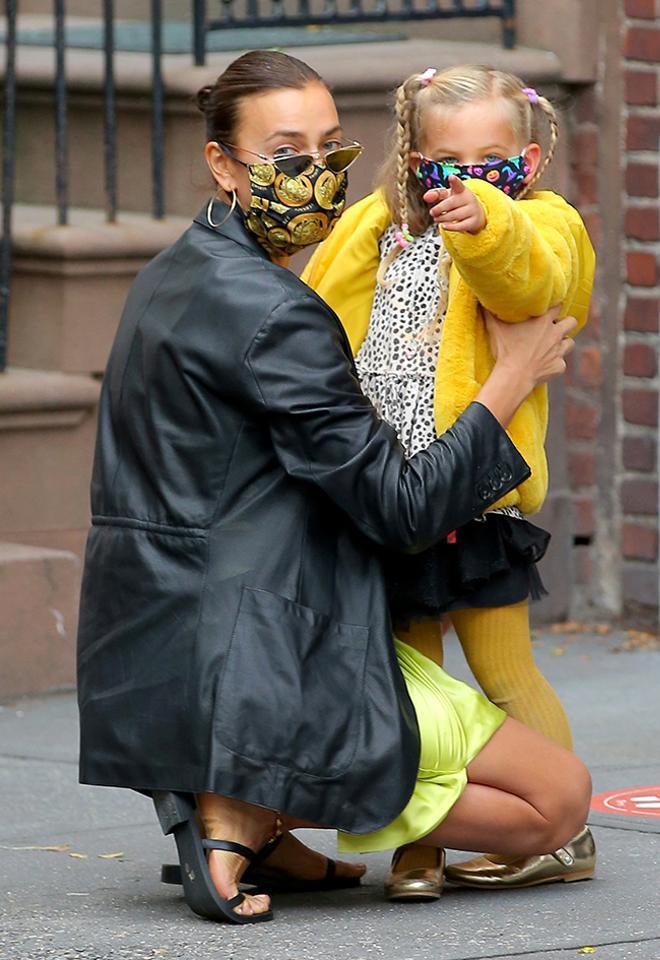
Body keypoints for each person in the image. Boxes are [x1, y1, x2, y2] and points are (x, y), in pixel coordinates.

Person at [76, 51, 590, 927]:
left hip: (154, 648)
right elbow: (404, 511)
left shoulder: (174, 274)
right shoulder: (279, 313)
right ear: (223, 164)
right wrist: (512, 376)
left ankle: (248, 805)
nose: (314, 177)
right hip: (267, 650)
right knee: (558, 802)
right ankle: (241, 806)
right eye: (286, 154)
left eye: (330, 153)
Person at [302, 63, 596, 899]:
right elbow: (321, 301)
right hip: (395, 493)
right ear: (412, 161)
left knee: (505, 676)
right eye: (444, 164)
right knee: (413, 682)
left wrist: (488, 222)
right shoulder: (384, 225)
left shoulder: (544, 224)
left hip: (477, 496)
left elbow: (535, 277)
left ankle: (561, 828)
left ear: (527, 165)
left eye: (490, 161)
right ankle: (421, 846)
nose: (464, 180)